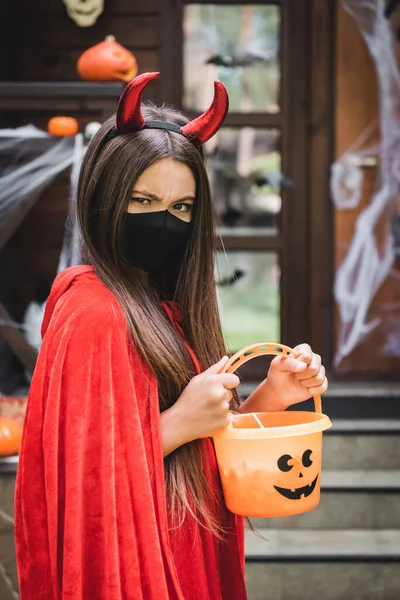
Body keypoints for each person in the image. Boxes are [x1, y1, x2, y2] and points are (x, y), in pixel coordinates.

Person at [14, 72, 328, 600]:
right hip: (137, 576)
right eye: (142, 201)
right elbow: (76, 489)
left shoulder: (159, 307)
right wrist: (178, 423)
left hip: (185, 559)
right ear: (103, 201)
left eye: (181, 208)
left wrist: (273, 397)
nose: (165, 221)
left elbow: (198, 458)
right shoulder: (95, 313)